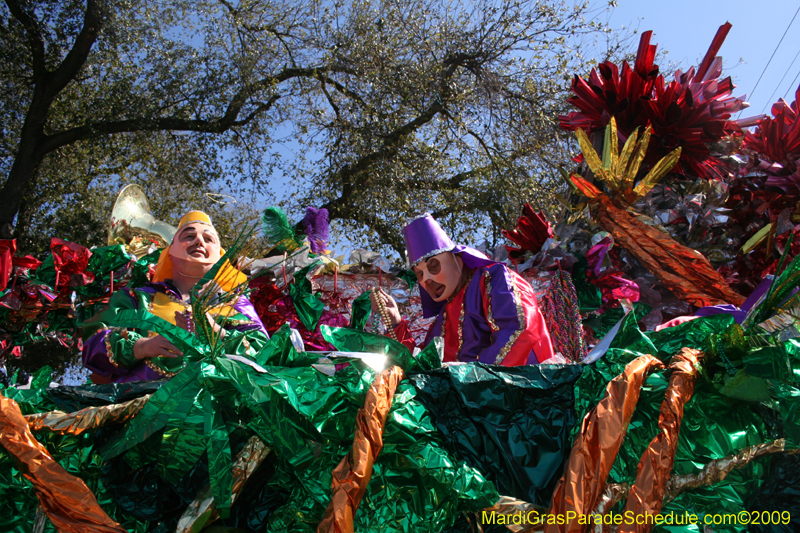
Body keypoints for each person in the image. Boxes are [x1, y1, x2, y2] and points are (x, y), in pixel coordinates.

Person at [82, 211, 269, 383]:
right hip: (140, 402)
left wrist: (217, 332)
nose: (199, 241)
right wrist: (141, 347)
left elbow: (264, 355)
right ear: (170, 253)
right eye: (189, 236)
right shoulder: (137, 296)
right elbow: (94, 342)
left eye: (209, 239)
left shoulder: (236, 303)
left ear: (220, 257)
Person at [371, 213, 554, 365]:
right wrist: (395, 323)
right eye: (419, 274)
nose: (426, 279)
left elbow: (519, 331)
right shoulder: (442, 320)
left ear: (457, 260)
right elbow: (424, 366)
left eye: (433, 266)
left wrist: (471, 382)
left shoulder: (494, 279)